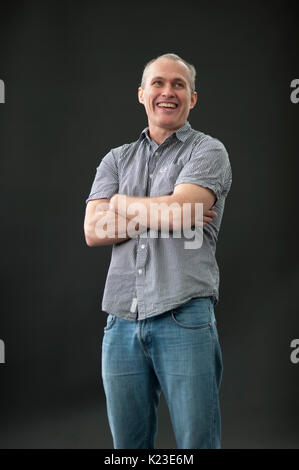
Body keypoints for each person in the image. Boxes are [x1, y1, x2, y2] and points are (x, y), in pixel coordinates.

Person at [84, 53, 232, 449]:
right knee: (128, 449)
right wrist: (168, 210)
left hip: (185, 316)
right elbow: (93, 230)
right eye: (159, 83)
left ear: (193, 98)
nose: (168, 92)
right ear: (142, 94)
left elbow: (184, 210)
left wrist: (119, 202)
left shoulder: (208, 151)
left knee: (196, 443)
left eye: (179, 84)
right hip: (121, 321)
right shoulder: (116, 158)